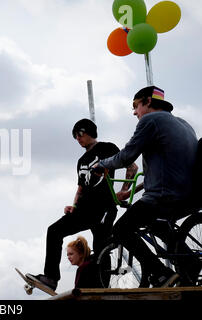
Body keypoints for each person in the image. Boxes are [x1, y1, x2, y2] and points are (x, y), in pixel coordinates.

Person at [96, 86, 198, 287]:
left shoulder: (151, 121)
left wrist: (102, 164)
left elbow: (126, 157)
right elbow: (169, 169)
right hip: (188, 195)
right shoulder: (184, 124)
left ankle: (161, 273)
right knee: (154, 223)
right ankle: (189, 260)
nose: (134, 112)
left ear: (148, 102)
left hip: (164, 197)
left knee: (121, 229)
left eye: (135, 106)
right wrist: (135, 190)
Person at [27, 119, 138, 291]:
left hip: (103, 207)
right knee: (54, 231)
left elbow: (132, 167)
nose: (78, 139)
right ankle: (51, 278)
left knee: (101, 248)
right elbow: (80, 188)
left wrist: (124, 191)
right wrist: (74, 206)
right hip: (84, 209)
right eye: (75, 137)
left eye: (80, 134)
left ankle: (102, 287)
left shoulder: (107, 148)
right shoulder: (81, 161)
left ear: (90, 132)